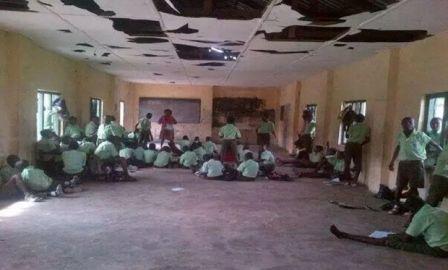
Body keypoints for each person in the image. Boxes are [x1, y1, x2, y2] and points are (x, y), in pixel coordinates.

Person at [330, 197, 448, 258]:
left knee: (388, 241)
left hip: (440, 249)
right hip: (441, 241)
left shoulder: (421, 216)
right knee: (397, 236)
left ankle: (345, 235)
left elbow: (406, 238)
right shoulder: (434, 209)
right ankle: (345, 235)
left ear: (413, 209)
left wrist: (394, 236)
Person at [389, 117, 442, 215]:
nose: (405, 125)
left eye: (408, 123)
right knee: (399, 186)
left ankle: (411, 209)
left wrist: (443, 152)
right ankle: (396, 206)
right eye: (403, 124)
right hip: (403, 164)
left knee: (413, 188)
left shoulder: (420, 135)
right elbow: (398, 147)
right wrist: (392, 161)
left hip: (416, 164)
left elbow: (434, 144)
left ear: (413, 124)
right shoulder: (401, 135)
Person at [343, 114, 371, 187]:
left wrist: (347, 127)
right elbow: (368, 139)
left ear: (355, 119)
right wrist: (361, 144)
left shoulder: (352, 126)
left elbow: (347, 136)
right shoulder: (366, 128)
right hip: (358, 146)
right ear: (363, 119)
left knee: (347, 163)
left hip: (349, 145)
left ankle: (347, 180)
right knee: (358, 163)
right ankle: (354, 181)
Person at [427, 142, 448, 207]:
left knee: (431, 205)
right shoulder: (445, 147)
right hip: (440, 176)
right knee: (434, 204)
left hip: (441, 178)